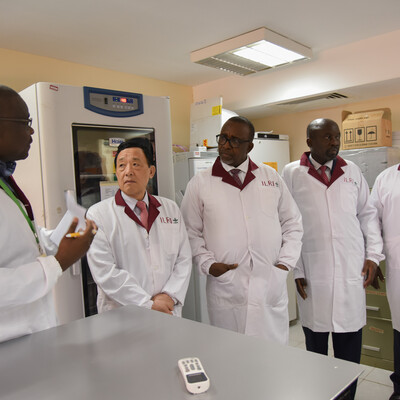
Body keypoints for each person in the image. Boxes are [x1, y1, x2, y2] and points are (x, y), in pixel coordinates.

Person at [282, 118, 384, 399]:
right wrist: (296, 267)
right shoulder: (291, 173)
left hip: (351, 271)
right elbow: (286, 223)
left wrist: (374, 255)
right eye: (327, 137)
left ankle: (347, 396)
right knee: (316, 351)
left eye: (337, 136)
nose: (335, 142)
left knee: (349, 351)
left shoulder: (351, 171)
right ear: (309, 142)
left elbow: (367, 214)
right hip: (312, 272)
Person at [180, 116, 303, 344]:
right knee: (232, 357)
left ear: (250, 146)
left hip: (269, 283)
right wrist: (207, 263)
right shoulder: (200, 183)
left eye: (235, 141)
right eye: (223, 138)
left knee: (272, 359)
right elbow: (190, 232)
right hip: (227, 286)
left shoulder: (271, 178)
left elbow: (292, 223)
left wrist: (286, 262)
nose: (226, 145)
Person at [0, 85, 97, 342]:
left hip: (31, 336)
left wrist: (58, 237)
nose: (32, 130)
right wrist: (58, 262)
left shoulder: (5, 181)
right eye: (25, 121)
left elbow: (20, 245)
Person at [86, 137, 191, 316]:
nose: (128, 172)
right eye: (121, 166)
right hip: (123, 314)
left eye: (135, 164)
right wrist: (147, 304)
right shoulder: (98, 215)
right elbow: (105, 272)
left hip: (167, 309)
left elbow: (184, 258)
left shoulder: (170, 208)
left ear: (151, 171)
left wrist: (169, 296)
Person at [371, 164, 400, 400]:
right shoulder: (385, 179)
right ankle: (399, 388)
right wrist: (374, 257)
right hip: (398, 268)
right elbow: (372, 221)